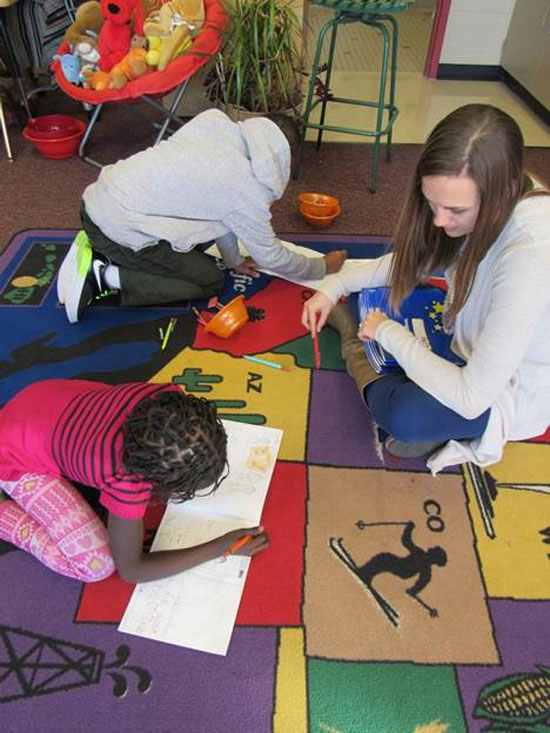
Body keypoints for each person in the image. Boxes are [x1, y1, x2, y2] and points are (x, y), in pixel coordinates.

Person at [302, 104, 550, 474]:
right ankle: (433, 427)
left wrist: (387, 332)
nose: (438, 220)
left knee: (403, 414)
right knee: (408, 374)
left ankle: (354, 339)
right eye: (431, 203)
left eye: (454, 210)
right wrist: (335, 283)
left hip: (507, 391)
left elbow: (471, 397)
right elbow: (419, 261)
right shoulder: (500, 186)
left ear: (504, 192)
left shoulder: (530, 259)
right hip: (467, 349)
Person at [57, 108, 347, 323]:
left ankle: (106, 254)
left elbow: (217, 209)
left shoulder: (214, 122)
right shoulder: (246, 189)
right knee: (209, 281)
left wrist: (233, 260)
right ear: (281, 159)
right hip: (115, 228)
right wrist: (321, 267)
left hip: (99, 199)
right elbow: (271, 257)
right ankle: (104, 275)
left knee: (197, 249)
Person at [0, 379, 268, 582]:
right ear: (151, 482)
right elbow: (131, 569)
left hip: (41, 397)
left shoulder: (166, 395)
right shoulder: (125, 479)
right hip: (12, 455)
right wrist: (219, 548)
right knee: (97, 566)